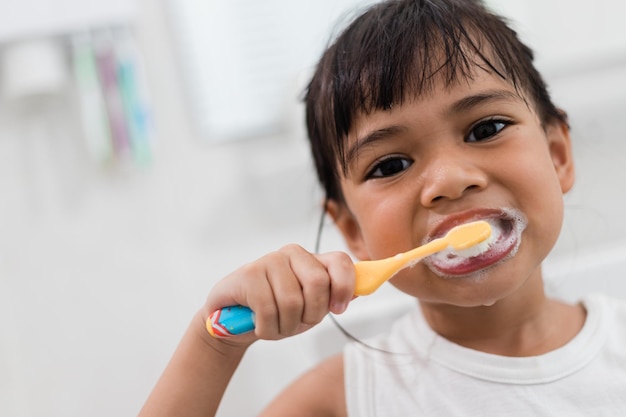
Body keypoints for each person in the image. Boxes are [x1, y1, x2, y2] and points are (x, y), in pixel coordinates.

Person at [139, 0, 626, 415]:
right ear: (352, 228)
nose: (449, 181)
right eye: (391, 164)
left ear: (558, 155)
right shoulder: (344, 399)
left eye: (485, 129)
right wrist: (214, 342)